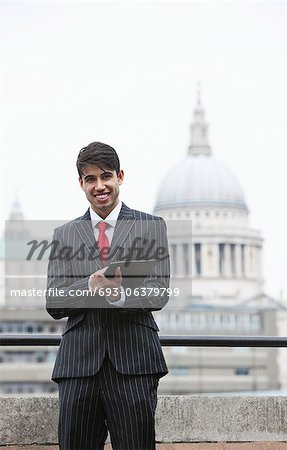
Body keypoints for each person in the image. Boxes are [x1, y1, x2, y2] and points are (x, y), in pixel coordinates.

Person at [46, 141, 170, 450]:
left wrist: (118, 295)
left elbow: (158, 292)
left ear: (120, 176)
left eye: (106, 176)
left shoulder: (151, 227)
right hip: (79, 366)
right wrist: (90, 287)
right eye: (90, 179)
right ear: (81, 183)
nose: (99, 186)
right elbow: (54, 301)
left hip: (134, 363)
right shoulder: (65, 235)